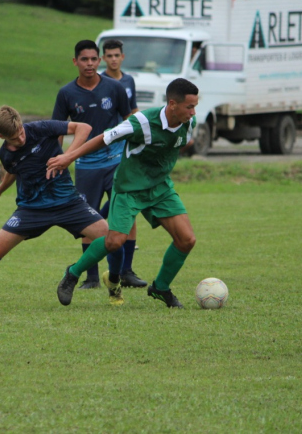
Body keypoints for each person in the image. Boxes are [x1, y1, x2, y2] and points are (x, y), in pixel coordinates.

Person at [0, 105, 125, 309]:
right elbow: (13, 171)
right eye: (14, 138)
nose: (20, 139)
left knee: (112, 238)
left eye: (20, 132)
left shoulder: (41, 128)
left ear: (21, 124)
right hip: (32, 209)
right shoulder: (6, 154)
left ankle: (114, 282)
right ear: (1, 135)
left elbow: (84, 128)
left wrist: (68, 156)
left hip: (68, 202)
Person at [49, 78, 199, 309]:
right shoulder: (141, 122)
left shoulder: (189, 123)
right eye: (189, 107)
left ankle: (160, 287)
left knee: (186, 240)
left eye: (195, 106)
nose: (193, 112)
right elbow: (103, 138)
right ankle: (73, 272)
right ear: (172, 104)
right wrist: (69, 157)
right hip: (129, 188)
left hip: (160, 188)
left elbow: (177, 143)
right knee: (114, 242)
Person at [52, 39, 146, 290]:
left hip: (117, 162)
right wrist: (55, 160)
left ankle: (126, 272)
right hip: (86, 166)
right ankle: (91, 277)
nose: (90, 64)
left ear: (100, 60)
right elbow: (58, 131)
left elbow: (130, 121)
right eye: (84, 59)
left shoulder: (115, 88)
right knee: (87, 220)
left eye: (94, 59)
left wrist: (137, 151)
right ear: (75, 62)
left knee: (126, 213)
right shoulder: (66, 93)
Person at [98, 39, 146, 288]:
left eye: (117, 55)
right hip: (101, 150)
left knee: (127, 207)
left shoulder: (128, 81)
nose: (113, 59)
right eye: (109, 55)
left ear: (123, 57)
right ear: (103, 58)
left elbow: (133, 111)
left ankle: (126, 270)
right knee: (101, 212)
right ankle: (93, 272)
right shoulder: (99, 82)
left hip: (123, 151)